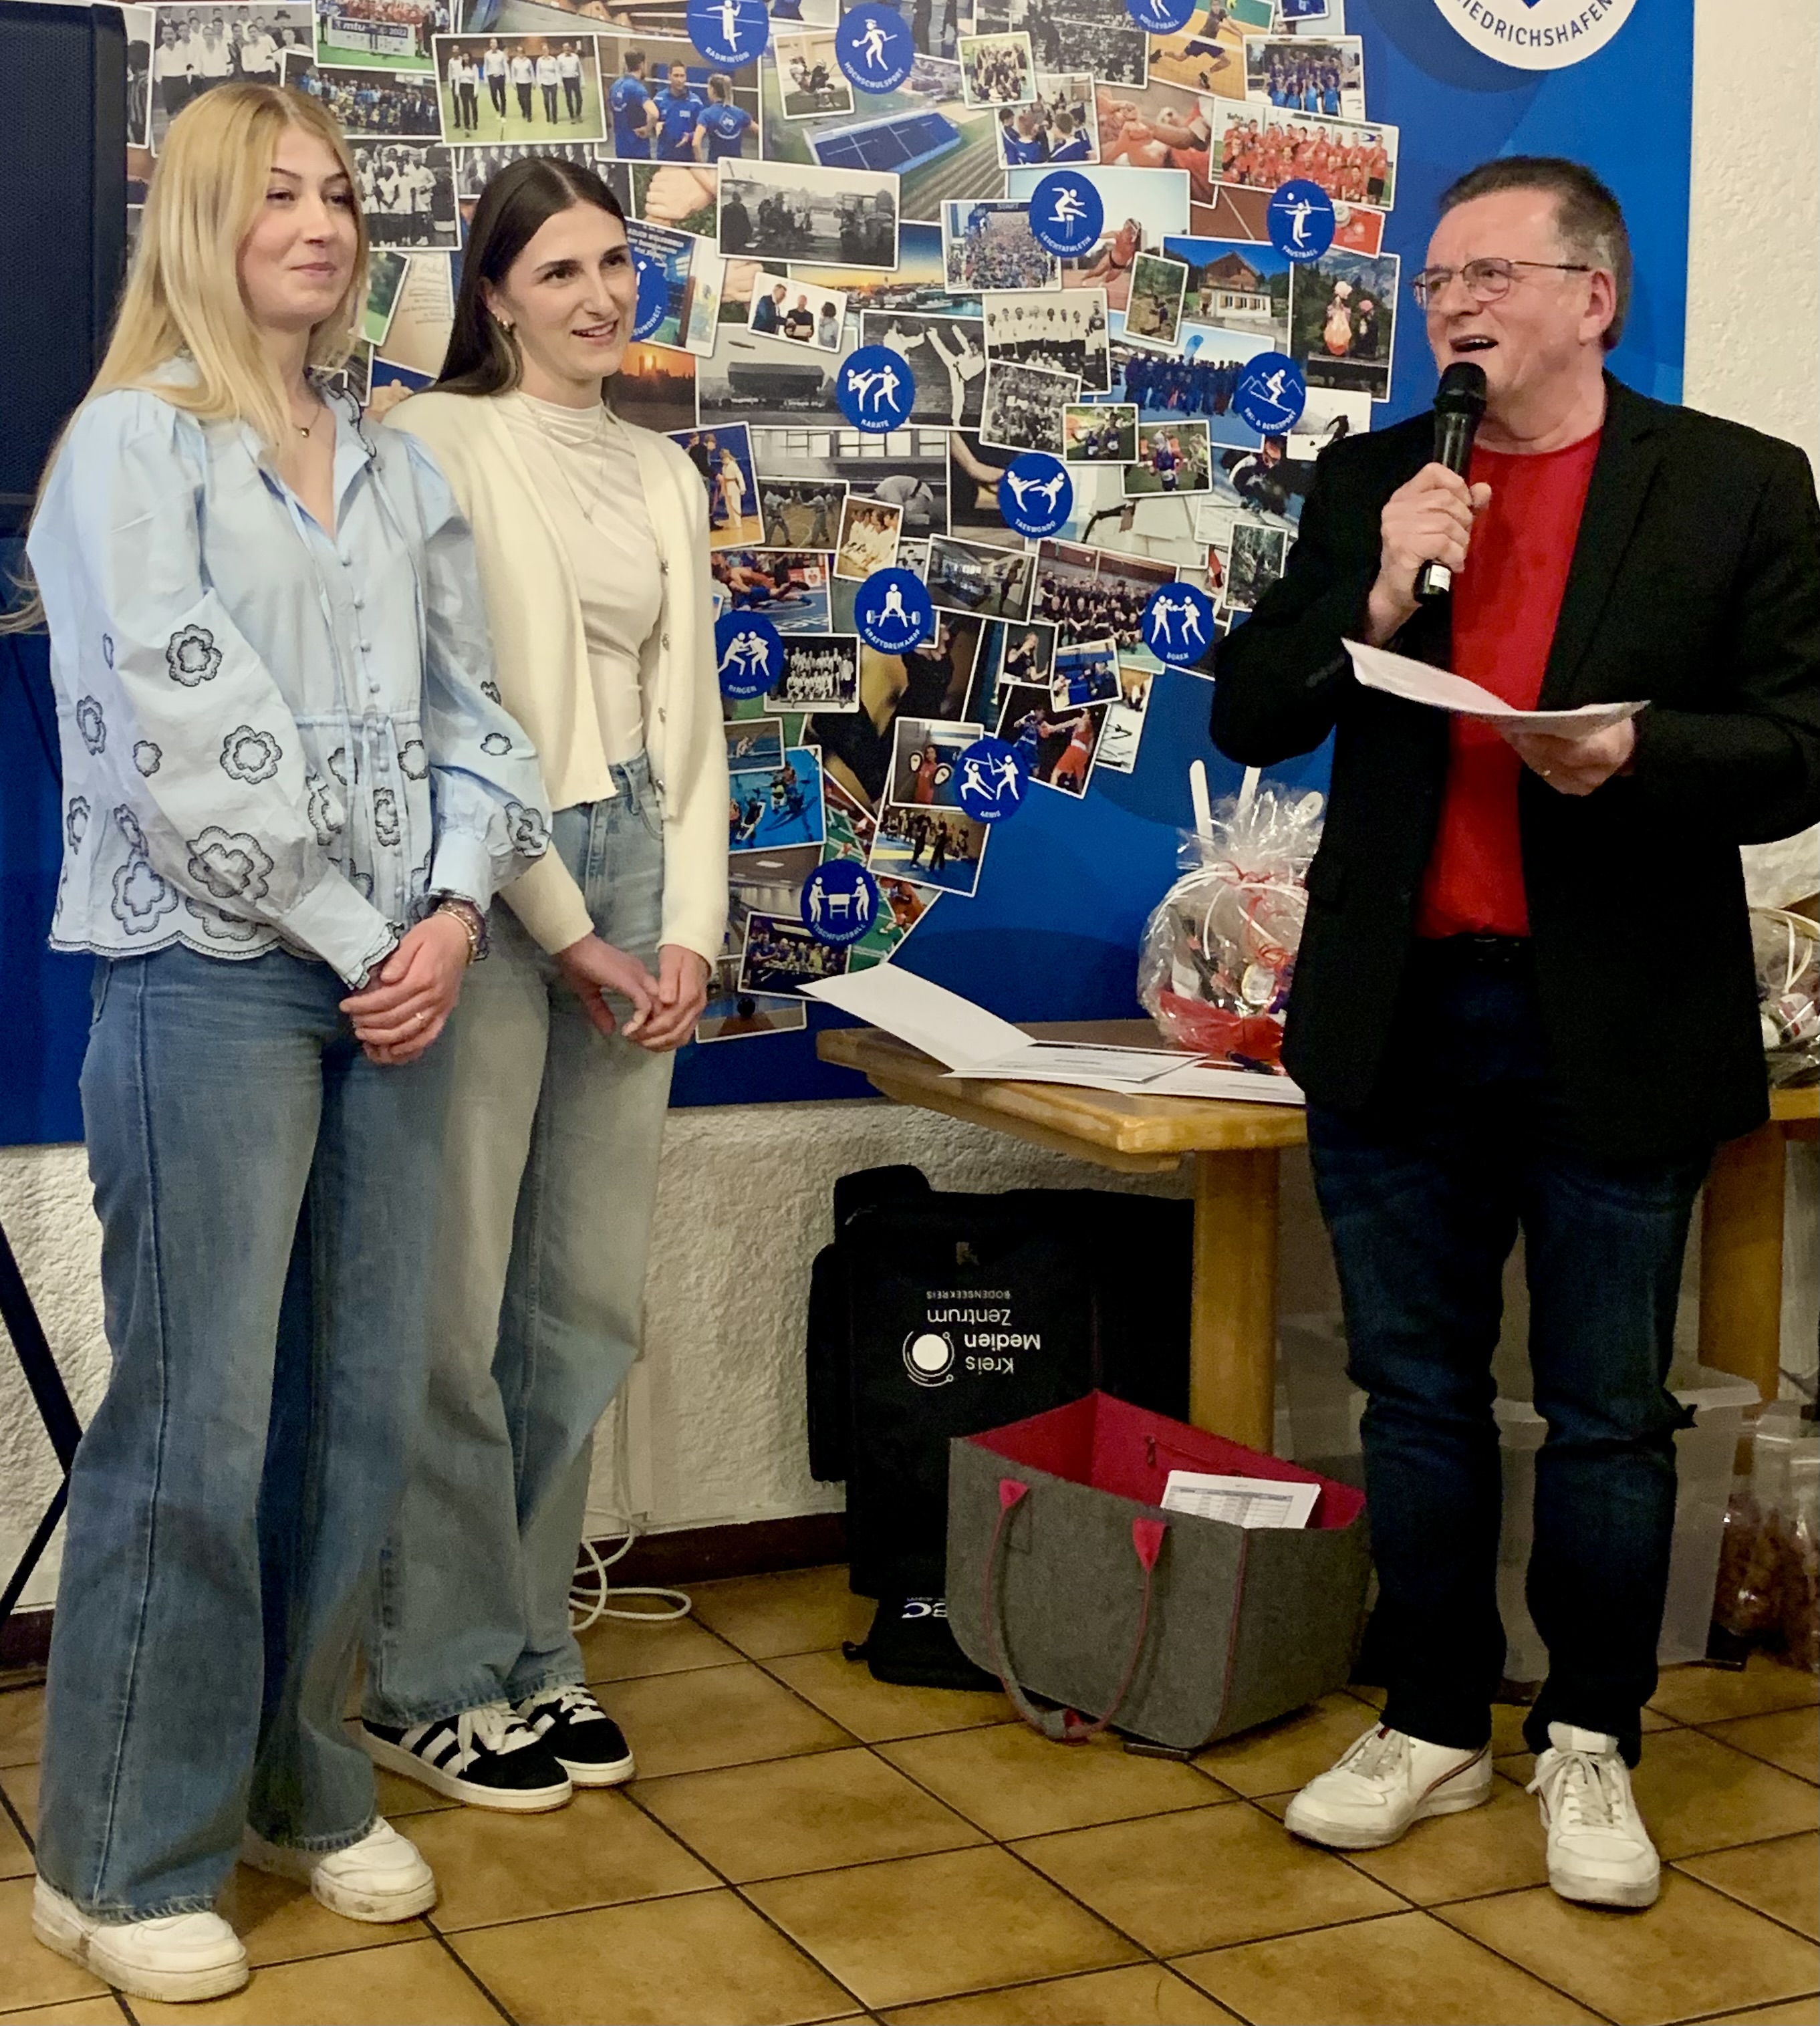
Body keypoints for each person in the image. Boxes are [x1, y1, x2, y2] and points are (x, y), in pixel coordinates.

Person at [1211, 158, 1820, 1909]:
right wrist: (1374, 597)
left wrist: (1634, 752)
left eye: (1487, 274)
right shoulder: (1373, 480)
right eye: (1433, 282)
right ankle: (1427, 1713)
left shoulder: (1732, 484)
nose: (1451, 306)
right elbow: (1254, 707)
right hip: (1399, 1006)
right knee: (1413, 1390)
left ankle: (1591, 1731)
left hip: (1610, 1014)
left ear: (1590, 297)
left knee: (1607, 1409)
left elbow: (1796, 747)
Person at [13, 83, 549, 2006]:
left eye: (335, 193)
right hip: (211, 977)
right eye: (274, 195)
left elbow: (477, 718)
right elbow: (186, 735)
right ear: (200, 222)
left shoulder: (396, 467)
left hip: (402, 973)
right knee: (198, 1424)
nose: (318, 223)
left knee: (358, 1404)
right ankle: (117, 1855)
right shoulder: (129, 450)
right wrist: (363, 935)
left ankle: (296, 1782)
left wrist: (454, 912)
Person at [363, 158, 728, 1811]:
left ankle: (531, 1646)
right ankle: (431, 1673)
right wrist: (567, 922)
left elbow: (689, 720)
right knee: (457, 1299)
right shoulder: (432, 441)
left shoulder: (661, 469)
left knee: (581, 1301)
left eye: (616, 263)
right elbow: (451, 708)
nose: (598, 295)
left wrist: (688, 930)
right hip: (486, 876)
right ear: (494, 294)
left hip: (633, 859)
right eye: (560, 269)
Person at [608, 47, 652, 157]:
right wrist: (647, 129)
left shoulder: (615, 86)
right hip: (638, 150)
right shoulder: (638, 89)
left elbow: (612, 109)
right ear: (642, 65)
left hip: (621, 148)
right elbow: (654, 113)